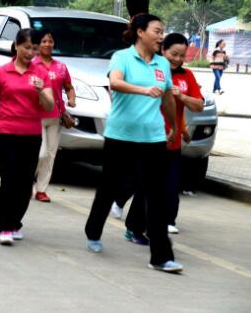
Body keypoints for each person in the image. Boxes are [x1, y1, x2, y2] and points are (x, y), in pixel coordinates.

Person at [83, 14, 182, 273]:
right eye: (157, 31)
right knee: (109, 187)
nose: (161, 36)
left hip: (153, 138)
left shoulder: (162, 63)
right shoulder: (122, 57)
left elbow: (168, 98)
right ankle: (93, 230)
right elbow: (114, 82)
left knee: (156, 197)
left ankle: (161, 256)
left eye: (163, 32)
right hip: (121, 136)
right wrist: (143, 90)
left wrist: (173, 126)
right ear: (140, 32)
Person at [0, 29, 55, 245]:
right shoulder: (1, 72)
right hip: (6, 132)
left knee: (25, 184)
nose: (30, 52)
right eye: (26, 47)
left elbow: (50, 105)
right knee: (9, 180)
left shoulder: (40, 73)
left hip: (31, 135)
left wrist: (41, 91)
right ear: (16, 46)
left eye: (34, 48)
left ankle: (15, 222)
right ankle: (5, 226)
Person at [161, 33, 204, 233]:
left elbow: (199, 105)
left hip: (173, 140)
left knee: (171, 182)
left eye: (182, 55)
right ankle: (121, 204)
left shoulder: (187, 76)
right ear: (163, 50)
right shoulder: (152, 71)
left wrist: (183, 97)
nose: (177, 59)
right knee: (141, 181)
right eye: (174, 54)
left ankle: (169, 220)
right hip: (147, 137)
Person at [32, 29, 76, 202]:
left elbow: (69, 87)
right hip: (36, 116)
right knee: (39, 154)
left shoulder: (61, 66)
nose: (47, 44)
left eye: (50, 41)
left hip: (56, 116)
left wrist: (72, 99)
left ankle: (41, 190)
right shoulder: (32, 64)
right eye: (44, 41)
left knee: (50, 154)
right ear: (38, 44)